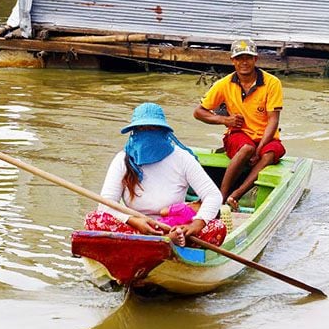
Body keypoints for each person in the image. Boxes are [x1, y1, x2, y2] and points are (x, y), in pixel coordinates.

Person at [84, 102, 226, 246]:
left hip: (174, 228)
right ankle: (157, 242)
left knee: (217, 228)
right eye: (141, 129)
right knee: (95, 219)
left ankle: (166, 241)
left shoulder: (182, 158)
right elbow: (106, 204)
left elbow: (213, 196)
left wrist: (196, 224)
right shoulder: (123, 159)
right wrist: (134, 221)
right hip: (136, 228)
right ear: (134, 132)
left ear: (163, 132)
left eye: (152, 128)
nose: (147, 134)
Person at [193, 38, 285, 212]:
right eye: (239, 58)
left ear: (255, 59)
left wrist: (260, 150)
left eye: (248, 58)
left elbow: (273, 120)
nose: (244, 62)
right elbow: (199, 112)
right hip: (238, 135)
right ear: (232, 60)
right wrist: (224, 120)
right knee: (246, 148)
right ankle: (220, 196)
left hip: (265, 137)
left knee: (269, 154)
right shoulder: (223, 84)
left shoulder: (272, 83)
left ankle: (237, 194)